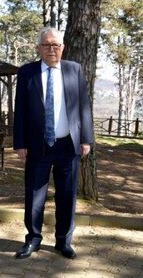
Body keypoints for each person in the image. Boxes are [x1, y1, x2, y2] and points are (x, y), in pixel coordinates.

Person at [13, 27, 93, 260]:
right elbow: (20, 111)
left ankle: (63, 241)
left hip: (68, 145)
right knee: (35, 195)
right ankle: (33, 239)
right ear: (38, 48)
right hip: (38, 146)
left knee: (67, 195)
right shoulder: (27, 72)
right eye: (46, 45)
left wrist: (86, 138)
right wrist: (20, 143)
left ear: (62, 47)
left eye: (55, 45)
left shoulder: (73, 70)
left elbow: (84, 106)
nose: (51, 49)